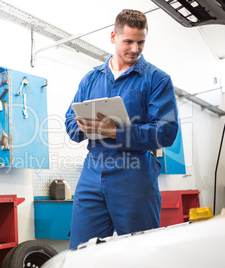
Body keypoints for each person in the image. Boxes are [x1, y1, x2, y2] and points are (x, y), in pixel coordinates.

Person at [65, 9, 179, 249]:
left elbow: (166, 131)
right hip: (92, 173)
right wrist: (85, 127)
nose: (135, 49)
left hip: (134, 174)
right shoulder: (91, 79)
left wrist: (115, 132)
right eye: (128, 41)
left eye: (141, 42)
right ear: (113, 37)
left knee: (142, 251)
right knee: (82, 252)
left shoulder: (157, 79)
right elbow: (69, 122)